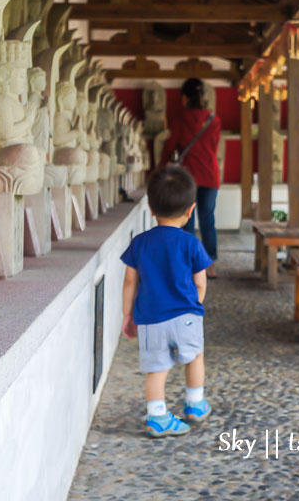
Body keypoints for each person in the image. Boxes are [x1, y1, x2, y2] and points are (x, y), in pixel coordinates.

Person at [121, 165, 213, 437]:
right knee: (195, 355)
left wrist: (128, 315)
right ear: (190, 210)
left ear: (150, 207)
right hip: (186, 314)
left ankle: (157, 416)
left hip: (150, 319)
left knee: (156, 369)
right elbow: (200, 281)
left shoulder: (139, 243)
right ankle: (195, 403)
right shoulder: (191, 244)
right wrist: (195, 304)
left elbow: (129, 282)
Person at [158, 78, 221, 277]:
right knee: (207, 220)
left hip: (188, 178)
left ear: (184, 98)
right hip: (210, 175)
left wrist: (161, 169)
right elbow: (213, 147)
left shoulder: (180, 120)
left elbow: (170, 147)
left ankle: (189, 265)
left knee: (187, 221)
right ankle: (210, 266)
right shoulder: (213, 120)